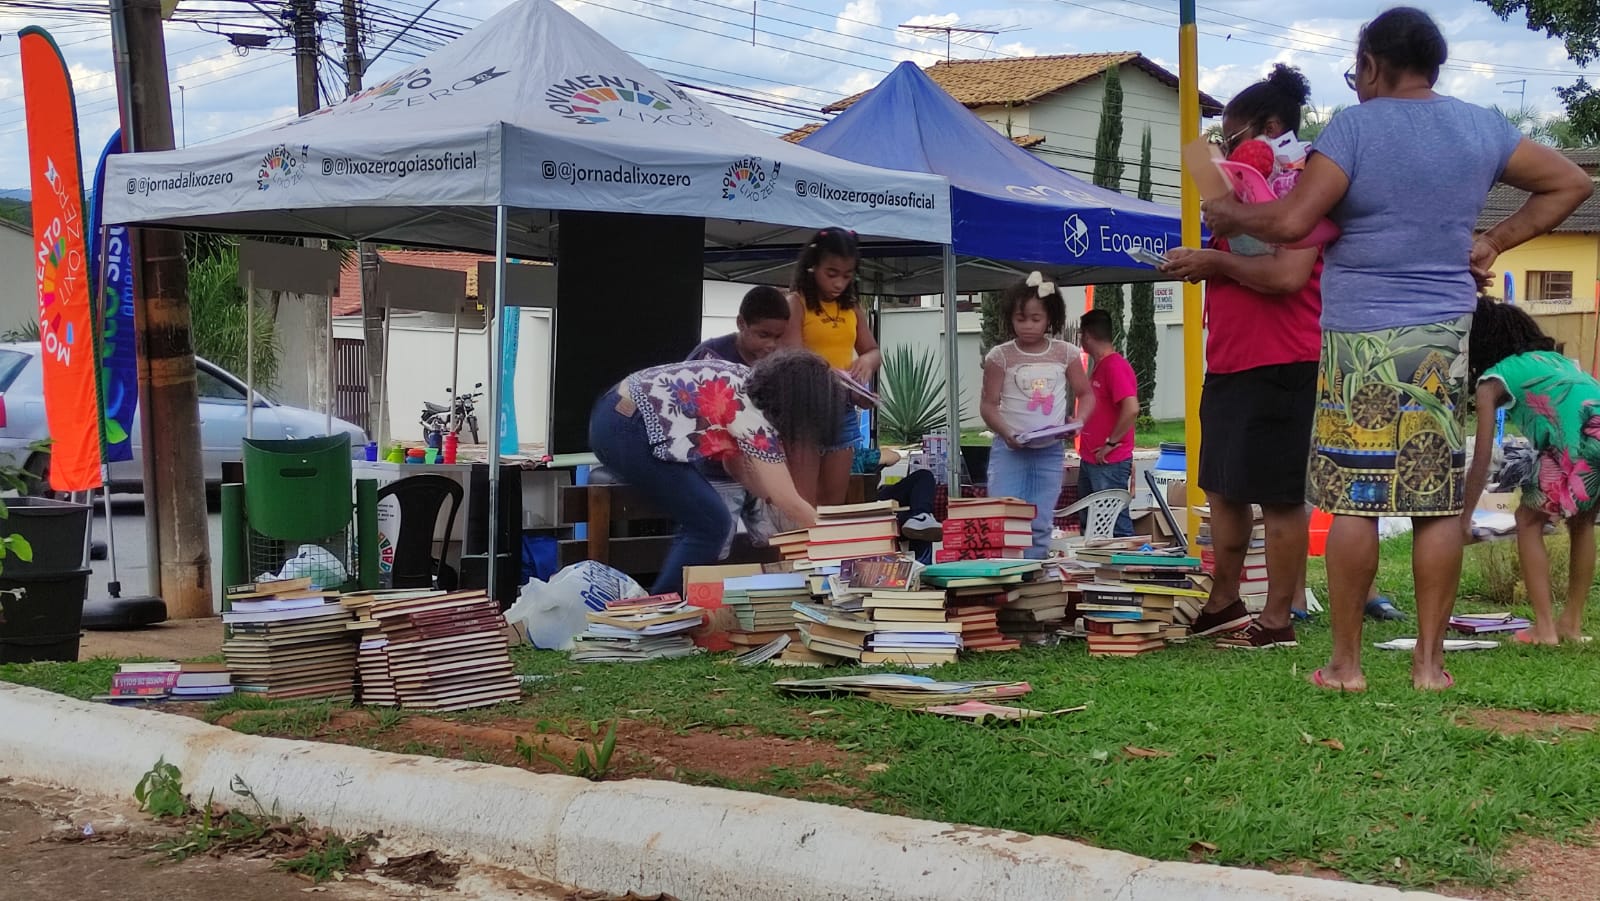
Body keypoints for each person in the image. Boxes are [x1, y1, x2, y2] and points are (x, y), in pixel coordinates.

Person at [1200, 6, 1591, 691]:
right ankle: (1429, 666)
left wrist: (1228, 213)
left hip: (1360, 338)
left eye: (1357, 70)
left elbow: (1293, 219)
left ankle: (1346, 664)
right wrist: (1494, 241)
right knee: (1434, 502)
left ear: (1373, 65)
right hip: (1442, 332)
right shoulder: (1481, 126)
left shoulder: (1355, 128)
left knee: (1355, 503)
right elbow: (1572, 181)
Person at [1160, 64, 1322, 649]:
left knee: (1278, 495)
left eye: (1232, 137)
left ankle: (1277, 618)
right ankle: (1223, 599)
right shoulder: (1238, 192)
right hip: (1228, 358)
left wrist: (1215, 263)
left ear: (1271, 126)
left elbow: (1287, 275)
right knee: (1224, 489)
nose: (1228, 149)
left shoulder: (1307, 181)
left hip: (1285, 357)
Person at [588, 349, 846, 594]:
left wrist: (768, 497)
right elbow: (788, 499)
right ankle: (660, 613)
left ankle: (667, 608)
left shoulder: (745, 383)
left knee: (705, 520)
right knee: (711, 524)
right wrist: (846, 542)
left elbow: (735, 467)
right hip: (627, 427)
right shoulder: (753, 415)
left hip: (614, 416)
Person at [1463, 297, 1600, 645]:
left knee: (1527, 520)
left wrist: (1464, 517)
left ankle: (1544, 628)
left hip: (1575, 442)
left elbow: (1482, 458)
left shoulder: (1493, 380)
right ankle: (1571, 621)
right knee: (1582, 522)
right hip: (1595, 428)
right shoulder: (1553, 360)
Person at [980, 272, 1094, 557]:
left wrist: (1079, 422)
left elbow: (1087, 394)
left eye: (1035, 319)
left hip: (1049, 450)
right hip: (1009, 450)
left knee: (1041, 521)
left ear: (1050, 318)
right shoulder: (1000, 356)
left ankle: (1036, 578)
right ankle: (1006, 579)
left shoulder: (1065, 353)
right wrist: (1006, 433)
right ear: (1010, 319)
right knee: (1005, 518)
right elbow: (988, 405)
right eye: (1021, 319)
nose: (1028, 326)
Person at [783, 228, 880, 507]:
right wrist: (831, 373)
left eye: (847, 275)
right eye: (832, 273)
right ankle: (801, 549)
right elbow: (792, 356)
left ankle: (828, 550)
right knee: (803, 502)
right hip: (805, 410)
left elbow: (872, 350)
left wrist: (866, 362)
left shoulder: (852, 308)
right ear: (813, 267)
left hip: (842, 409)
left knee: (833, 502)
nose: (839, 283)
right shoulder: (797, 303)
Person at [1076, 308, 1137, 537]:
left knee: (1114, 524)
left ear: (1087, 336)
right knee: (1092, 523)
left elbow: (1131, 409)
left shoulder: (1114, 366)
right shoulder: (1100, 367)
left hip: (1109, 461)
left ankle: (1129, 566)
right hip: (1093, 458)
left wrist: (1111, 443)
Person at [691, 285, 791, 366]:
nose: (772, 345)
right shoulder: (710, 353)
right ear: (741, 323)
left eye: (778, 337)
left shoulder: (780, 365)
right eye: (763, 335)